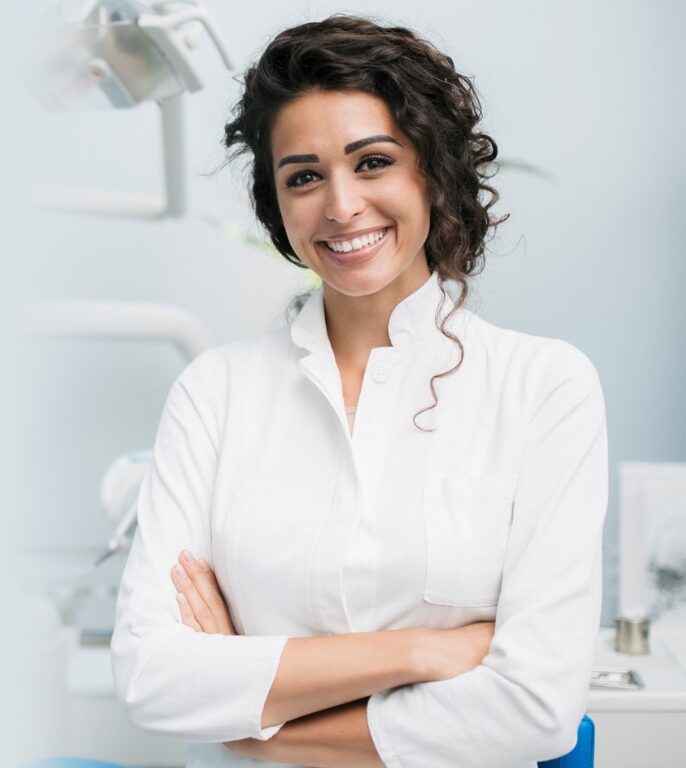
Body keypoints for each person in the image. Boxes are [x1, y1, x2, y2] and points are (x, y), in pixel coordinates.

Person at [110, 14, 609, 768]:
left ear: (431, 171)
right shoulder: (216, 391)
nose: (340, 207)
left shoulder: (544, 387)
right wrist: (419, 652)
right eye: (304, 176)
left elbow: (537, 710)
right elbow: (150, 679)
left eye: (372, 162)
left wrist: (258, 729)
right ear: (277, 204)